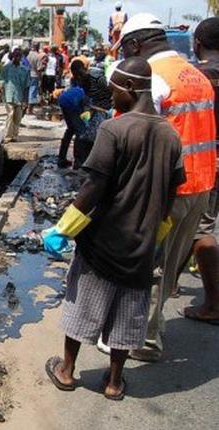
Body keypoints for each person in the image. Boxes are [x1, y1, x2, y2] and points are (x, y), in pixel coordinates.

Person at [42, 57, 185, 401]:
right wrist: (156, 237)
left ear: (131, 88)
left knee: (83, 305)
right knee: (127, 314)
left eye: (114, 89)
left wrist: (63, 229)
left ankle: (66, 371)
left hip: (104, 240)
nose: (110, 95)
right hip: (141, 244)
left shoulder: (114, 129)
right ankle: (115, 383)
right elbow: (171, 193)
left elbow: (93, 188)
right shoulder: (170, 134)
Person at [118, 13, 217, 361]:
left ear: (135, 45)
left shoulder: (153, 79)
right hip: (201, 187)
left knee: (150, 265)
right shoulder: (196, 74)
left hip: (167, 191)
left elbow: (132, 137)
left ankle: (143, 340)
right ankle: (150, 326)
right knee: (169, 261)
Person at [183, 17, 219, 324]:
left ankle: (214, 303)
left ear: (197, 44)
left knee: (200, 230)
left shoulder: (196, 78)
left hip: (201, 164)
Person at [70, 58, 114, 167]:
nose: (79, 77)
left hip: (103, 110)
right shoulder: (77, 79)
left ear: (84, 69)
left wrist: (108, 108)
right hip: (90, 109)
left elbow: (111, 91)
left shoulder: (97, 76)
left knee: (98, 137)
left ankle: (96, 164)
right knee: (83, 135)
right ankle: (80, 162)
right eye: (76, 75)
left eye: (80, 74)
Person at [0, 48, 30, 143]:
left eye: (19, 56)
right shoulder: (6, 68)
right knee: (10, 114)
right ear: (12, 56)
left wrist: (26, 100)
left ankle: (14, 136)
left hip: (19, 96)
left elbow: (27, 86)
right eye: (15, 56)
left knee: (18, 117)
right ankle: (8, 136)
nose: (17, 58)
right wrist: (1, 88)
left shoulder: (24, 70)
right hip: (9, 95)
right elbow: (2, 80)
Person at [56, 84, 87, 168]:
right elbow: (86, 113)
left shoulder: (81, 88)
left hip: (63, 100)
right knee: (80, 132)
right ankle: (78, 162)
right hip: (73, 103)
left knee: (70, 129)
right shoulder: (92, 94)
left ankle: (61, 158)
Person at [27, 43, 43, 114]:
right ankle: (30, 109)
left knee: (27, 91)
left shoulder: (27, 54)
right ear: (38, 47)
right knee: (33, 91)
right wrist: (40, 78)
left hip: (27, 75)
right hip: (34, 75)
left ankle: (26, 108)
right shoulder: (38, 56)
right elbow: (39, 68)